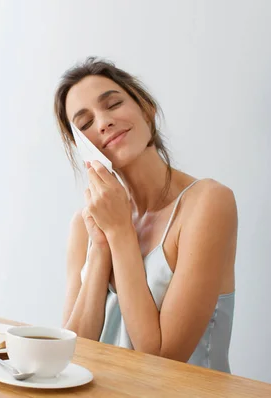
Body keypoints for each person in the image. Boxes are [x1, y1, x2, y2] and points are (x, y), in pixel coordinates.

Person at [54, 57, 237, 373]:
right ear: (81, 147)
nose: (103, 122)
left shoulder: (208, 203)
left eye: (113, 104)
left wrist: (120, 232)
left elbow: (163, 359)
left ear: (147, 108)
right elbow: (71, 354)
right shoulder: (84, 226)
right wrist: (100, 247)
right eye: (85, 125)